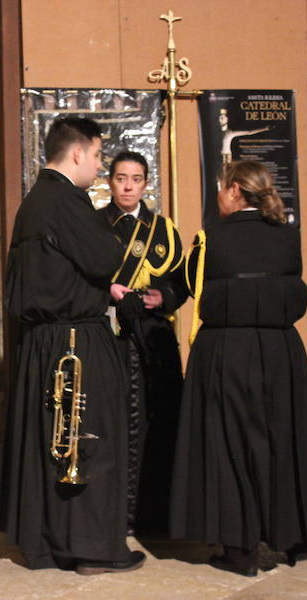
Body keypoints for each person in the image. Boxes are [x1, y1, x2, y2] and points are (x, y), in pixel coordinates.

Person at [0, 117, 145, 575]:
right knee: (90, 441)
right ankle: (94, 550)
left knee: (53, 445)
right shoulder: (67, 200)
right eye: (98, 156)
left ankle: (49, 543)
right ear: (77, 153)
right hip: (76, 338)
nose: (99, 167)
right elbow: (107, 259)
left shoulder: (35, 202)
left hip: (41, 342)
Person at [170, 160, 307, 576]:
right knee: (284, 440)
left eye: (222, 188)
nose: (218, 195)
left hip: (226, 351)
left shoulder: (210, 240)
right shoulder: (288, 236)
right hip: (280, 351)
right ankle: (294, 538)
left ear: (237, 190)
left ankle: (239, 551)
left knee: (230, 447)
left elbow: (187, 284)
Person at [103, 150, 188, 535]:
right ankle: (114, 511)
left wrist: (163, 297)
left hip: (153, 341)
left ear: (145, 183)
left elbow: (179, 281)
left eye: (135, 179)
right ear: (109, 182)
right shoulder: (93, 224)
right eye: (121, 178)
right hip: (110, 338)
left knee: (155, 422)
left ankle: (152, 512)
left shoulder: (164, 230)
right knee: (113, 424)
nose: (127, 186)